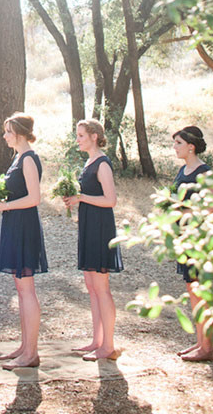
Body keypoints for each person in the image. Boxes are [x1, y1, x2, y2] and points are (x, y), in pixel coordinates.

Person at [0, 113, 48, 370]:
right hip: (14, 223)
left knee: (27, 290)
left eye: (8, 132)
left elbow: (35, 198)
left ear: (20, 133)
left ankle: (31, 353)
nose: (4, 136)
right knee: (21, 290)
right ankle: (24, 346)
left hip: (24, 225)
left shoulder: (29, 159)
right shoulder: (18, 158)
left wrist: (4, 205)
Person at [63, 119, 123, 362]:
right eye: (77, 135)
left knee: (101, 288)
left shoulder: (103, 163)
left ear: (94, 136)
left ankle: (108, 346)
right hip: (88, 226)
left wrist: (82, 197)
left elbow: (111, 200)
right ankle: (97, 341)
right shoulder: (88, 162)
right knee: (91, 287)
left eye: (81, 135)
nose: (77, 139)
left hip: (101, 228)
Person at [171, 125, 213, 362]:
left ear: (191, 146)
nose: (175, 147)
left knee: (201, 291)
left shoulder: (204, 173)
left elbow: (210, 208)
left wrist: (182, 209)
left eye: (178, 143)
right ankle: (200, 342)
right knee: (192, 289)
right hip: (183, 238)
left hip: (198, 239)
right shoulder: (182, 170)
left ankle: (207, 347)